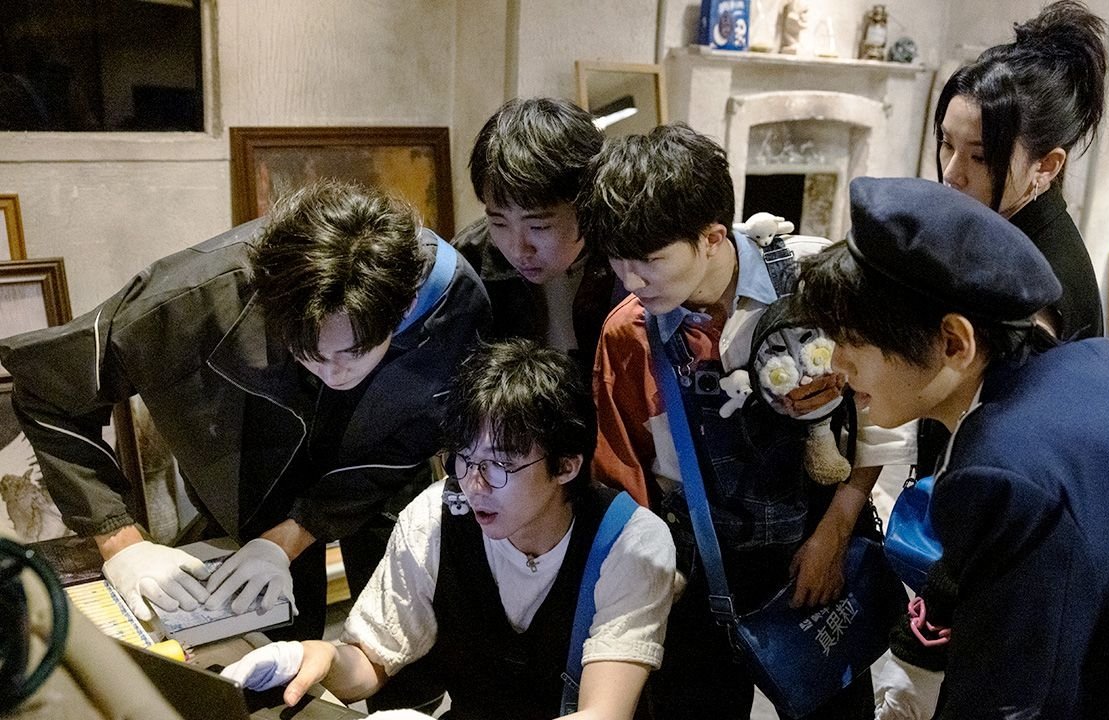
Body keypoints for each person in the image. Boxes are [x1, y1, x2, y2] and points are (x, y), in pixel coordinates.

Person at [797, 176, 1109, 719]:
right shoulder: (1105, 359)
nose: (836, 363)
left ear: (955, 343)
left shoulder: (1004, 469)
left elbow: (1008, 699)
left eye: (854, 341)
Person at [0, 181, 490, 639]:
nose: (334, 373)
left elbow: (415, 435)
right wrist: (119, 540)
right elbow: (46, 389)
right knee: (264, 645)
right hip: (254, 478)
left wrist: (297, 533)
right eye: (310, 353)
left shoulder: (452, 303)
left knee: (402, 635)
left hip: (376, 482)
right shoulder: (194, 298)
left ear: (404, 308)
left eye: (353, 352)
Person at [577, 124, 914, 720]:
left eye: (650, 261)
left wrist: (834, 534)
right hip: (698, 569)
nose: (631, 280)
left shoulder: (814, 280)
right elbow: (623, 473)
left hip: (818, 535)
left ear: (712, 237)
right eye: (618, 261)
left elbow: (883, 418)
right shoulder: (628, 332)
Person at [219, 339, 679, 720]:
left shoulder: (629, 542)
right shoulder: (436, 518)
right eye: (464, 458)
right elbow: (371, 662)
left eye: (499, 465)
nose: (474, 485)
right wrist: (317, 657)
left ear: (565, 466)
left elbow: (603, 713)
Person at [934, 0, 1105, 342]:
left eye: (980, 158)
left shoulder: (1036, 292)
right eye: (947, 143)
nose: (952, 174)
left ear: (1046, 166)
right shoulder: (995, 223)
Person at [454, 97, 618, 382]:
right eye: (498, 222)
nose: (518, 249)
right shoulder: (468, 263)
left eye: (539, 226)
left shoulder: (630, 255)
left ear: (587, 204)